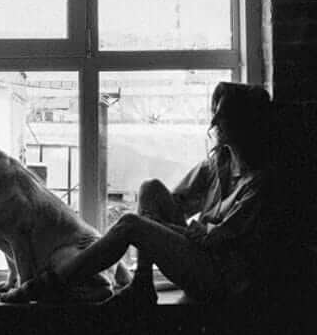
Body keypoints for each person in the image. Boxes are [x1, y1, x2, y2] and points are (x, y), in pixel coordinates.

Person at [19, 81, 274, 309]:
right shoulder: (217, 165)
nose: (214, 123)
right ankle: (142, 282)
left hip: (219, 278)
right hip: (198, 253)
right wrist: (159, 225)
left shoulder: (258, 183)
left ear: (243, 123)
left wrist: (153, 227)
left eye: (222, 115)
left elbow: (214, 240)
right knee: (149, 188)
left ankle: (52, 282)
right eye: (214, 113)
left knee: (132, 225)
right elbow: (174, 204)